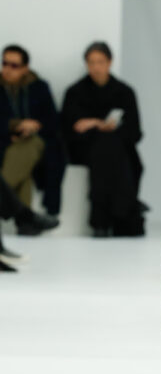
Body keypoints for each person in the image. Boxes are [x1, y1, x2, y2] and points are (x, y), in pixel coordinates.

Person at [62, 43, 145, 236]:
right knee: (106, 150)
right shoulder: (75, 92)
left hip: (119, 148)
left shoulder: (124, 92)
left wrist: (99, 125)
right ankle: (123, 215)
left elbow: (135, 132)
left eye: (100, 62)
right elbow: (68, 129)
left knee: (111, 149)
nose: (96, 67)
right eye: (91, 62)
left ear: (109, 62)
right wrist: (98, 127)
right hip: (85, 149)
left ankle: (101, 220)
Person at [0, 44, 66, 219]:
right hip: (6, 142)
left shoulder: (39, 87)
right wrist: (14, 125)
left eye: (14, 65)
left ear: (25, 68)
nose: (7, 69)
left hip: (36, 141)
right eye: (4, 63)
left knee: (29, 146)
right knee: (23, 167)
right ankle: (26, 221)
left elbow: (52, 120)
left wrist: (34, 126)